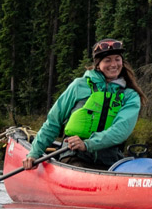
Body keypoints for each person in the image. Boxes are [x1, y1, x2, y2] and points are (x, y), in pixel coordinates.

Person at [30, 38, 142, 170]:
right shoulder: (79, 86)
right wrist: (34, 153)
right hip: (75, 156)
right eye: (107, 60)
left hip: (110, 161)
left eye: (117, 59)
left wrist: (88, 144)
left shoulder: (130, 96)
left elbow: (120, 131)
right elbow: (53, 122)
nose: (114, 64)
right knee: (77, 166)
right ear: (98, 64)